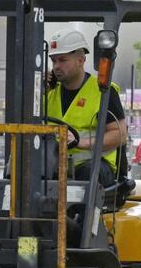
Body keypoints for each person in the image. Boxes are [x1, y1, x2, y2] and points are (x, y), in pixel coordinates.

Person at [45, 29, 127, 191]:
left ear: (80, 61)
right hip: (55, 165)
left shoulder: (103, 91)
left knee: (84, 177)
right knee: (21, 170)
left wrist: (81, 143)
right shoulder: (48, 93)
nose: (56, 67)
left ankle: (80, 217)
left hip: (95, 166)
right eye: (54, 61)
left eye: (62, 60)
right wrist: (36, 89)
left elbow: (120, 134)